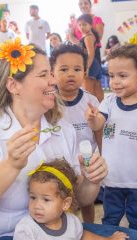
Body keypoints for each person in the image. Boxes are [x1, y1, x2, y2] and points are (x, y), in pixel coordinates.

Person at [0, 38, 137, 240]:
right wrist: (10, 166)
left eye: (51, 73)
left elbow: (78, 199)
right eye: (44, 74)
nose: (54, 81)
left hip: (51, 232)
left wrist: (91, 180)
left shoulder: (63, 130)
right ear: (13, 84)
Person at [86, 44, 137, 233]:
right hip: (112, 177)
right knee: (110, 217)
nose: (115, 82)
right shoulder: (109, 102)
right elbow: (98, 125)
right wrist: (92, 118)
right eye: (112, 76)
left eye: (122, 76)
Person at [50, 44, 102, 223]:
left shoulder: (91, 101)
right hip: (59, 164)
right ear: (52, 73)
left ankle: (89, 227)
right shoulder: (49, 102)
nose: (71, 74)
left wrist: (102, 154)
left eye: (77, 69)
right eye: (63, 69)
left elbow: (98, 132)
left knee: (87, 202)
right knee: (62, 201)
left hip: (86, 162)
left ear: (84, 73)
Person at [14, 160, 83, 239]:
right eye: (33, 197)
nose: (37, 206)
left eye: (46, 200)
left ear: (65, 203)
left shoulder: (73, 224)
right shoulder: (26, 229)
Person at [78, 14, 104, 102]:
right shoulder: (91, 36)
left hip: (91, 63)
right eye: (80, 25)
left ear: (91, 25)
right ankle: (101, 109)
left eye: (84, 24)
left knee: (88, 92)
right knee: (97, 88)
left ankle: (92, 111)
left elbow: (91, 53)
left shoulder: (88, 37)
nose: (82, 27)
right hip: (95, 63)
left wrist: (87, 67)